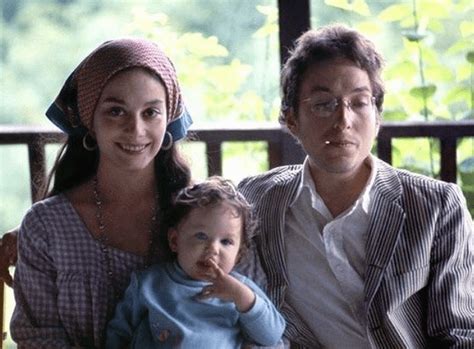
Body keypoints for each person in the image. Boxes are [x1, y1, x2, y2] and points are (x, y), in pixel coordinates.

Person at [238, 24, 474, 348]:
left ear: (377, 116)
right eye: (323, 104)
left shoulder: (436, 206)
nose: (343, 120)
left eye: (359, 103)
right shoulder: (255, 200)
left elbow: (460, 334)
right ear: (292, 119)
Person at [9, 37, 193, 348]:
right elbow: (37, 338)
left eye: (151, 113)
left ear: (169, 119)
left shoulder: (200, 216)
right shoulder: (46, 226)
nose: (135, 130)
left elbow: (245, 322)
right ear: (89, 120)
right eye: (116, 111)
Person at [106, 176, 285, 348]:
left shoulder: (240, 290)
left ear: (238, 255)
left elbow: (271, 337)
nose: (213, 249)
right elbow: (118, 333)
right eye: (201, 236)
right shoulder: (149, 284)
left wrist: (242, 297)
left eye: (226, 242)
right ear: (175, 241)